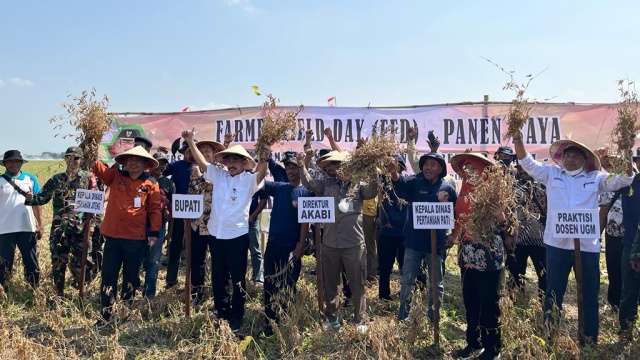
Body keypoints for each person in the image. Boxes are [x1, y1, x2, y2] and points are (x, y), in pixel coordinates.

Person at [511, 131, 635, 344]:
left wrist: (626, 149)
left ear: (585, 160)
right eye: (567, 155)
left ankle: (589, 339)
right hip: (556, 245)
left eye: (576, 156)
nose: (570, 159)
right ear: (561, 158)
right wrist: (517, 139)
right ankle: (550, 337)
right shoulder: (551, 175)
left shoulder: (596, 179)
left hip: (587, 248)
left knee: (589, 295)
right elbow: (527, 162)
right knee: (553, 292)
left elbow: (626, 178)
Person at [182, 128, 269, 333]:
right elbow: (202, 163)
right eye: (229, 160)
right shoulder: (218, 175)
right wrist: (189, 141)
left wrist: (265, 154)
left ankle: (237, 317)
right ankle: (222, 314)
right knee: (218, 278)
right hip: (216, 235)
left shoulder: (249, 180)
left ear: (245, 163)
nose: (231, 163)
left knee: (238, 278)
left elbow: (262, 172)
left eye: (236, 160)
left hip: (237, 236)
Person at [299, 150, 377, 333]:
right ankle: (332, 316)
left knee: (357, 283)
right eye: (334, 165)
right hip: (330, 243)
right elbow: (309, 184)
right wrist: (303, 164)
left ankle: (359, 320)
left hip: (354, 244)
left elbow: (372, 191)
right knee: (331, 282)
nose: (337, 169)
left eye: (341, 165)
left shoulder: (359, 185)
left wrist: (373, 168)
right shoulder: (325, 184)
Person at [449, 152, 513, 360]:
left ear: (484, 171)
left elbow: (510, 229)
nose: (468, 171)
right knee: (470, 301)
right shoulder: (464, 192)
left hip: (488, 257)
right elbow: (460, 220)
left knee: (489, 303)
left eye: (473, 168)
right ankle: (473, 343)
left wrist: (501, 218)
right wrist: (453, 236)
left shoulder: (495, 194)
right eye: (466, 168)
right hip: (467, 255)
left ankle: (492, 347)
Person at [93, 146, 162, 326]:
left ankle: (125, 313)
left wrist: (154, 232)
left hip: (135, 238)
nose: (134, 163)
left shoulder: (151, 183)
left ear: (145, 164)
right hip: (113, 237)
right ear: (125, 162)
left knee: (131, 277)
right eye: (131, 160)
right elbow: (96, 167)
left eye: (138, 161)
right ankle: (105, 314)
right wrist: (90, 144)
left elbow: (155, 209)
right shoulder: (115, 176)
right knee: (108, 276)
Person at [393, 152, 457, 323]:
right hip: (413, 243)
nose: (428, 168)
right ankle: (403, 317)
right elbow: (398, 183)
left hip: (436, 247)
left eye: (433, 164)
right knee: (407, 281)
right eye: (426, 164)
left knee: (437, 285)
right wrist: (393, 172)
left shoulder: (447, 188)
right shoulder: (414, 182)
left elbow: (457, 214)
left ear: (441, 169)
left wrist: (454, 235)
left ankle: (433, 319)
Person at [28, 146, 95, 298]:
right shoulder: (56, 180)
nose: (72, 161)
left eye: (76, 158)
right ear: (65, 159)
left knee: (84, 264)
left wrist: (93, 226)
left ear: (81, 160)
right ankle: (59, 295)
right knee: (58, 264)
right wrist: (30, 198)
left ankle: (82, 294)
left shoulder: (88, 179)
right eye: (69, 158)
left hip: (81, 230)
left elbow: (95, 204)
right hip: (60, 230)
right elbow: (42, 198)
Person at [262, 152, 313, 336]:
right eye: (288, 167)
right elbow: (258, 181)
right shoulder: (279, 187)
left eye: (294, 166)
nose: (290, 170)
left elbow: (305, 222)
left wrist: (300, 244)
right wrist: (262, 157)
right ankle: (269, 320)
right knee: (269, 283)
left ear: (300, 168)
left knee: (288, 285)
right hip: (273, 245)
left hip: (292, 248)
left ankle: (286, 318)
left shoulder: (307, 191)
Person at [187, 139, 225, 304]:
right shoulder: (193, 171)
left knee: (219, 261)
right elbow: (190, 196)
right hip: (197, 224)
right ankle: (197, 295)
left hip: (216, 225)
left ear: (214, 153)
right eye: (200, 151)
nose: (204, 154)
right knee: (197, 261)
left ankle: (220, 295)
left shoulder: (221, 170)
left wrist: (200, 178)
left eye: (207, 151)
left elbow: (212, 187)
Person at [0, 150, 42, 296]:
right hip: (4, 229)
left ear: (21, 163)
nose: (13, 164)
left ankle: (34, 290)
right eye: (10, 161)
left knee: (31, 261)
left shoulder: (30, 179)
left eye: (17, 161)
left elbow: (37, 203)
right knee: (4, 263)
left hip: (27, 227)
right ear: (4, 164)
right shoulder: (0, 180)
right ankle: (3, 291)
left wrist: (40, 224)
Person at [505, 163, 548, 298]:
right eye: (519, 168)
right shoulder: (512, 188)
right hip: (519, 238)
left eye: (525, 168)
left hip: (542, 240)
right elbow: (508, 213)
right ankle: (515, 302)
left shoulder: (545, 186)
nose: (522, 171)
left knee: (545, 275)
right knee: (515, 273)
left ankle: (544, 304)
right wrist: (508, 235)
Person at [163, 140, 198, 289]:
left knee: (195, 250)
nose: (191, 153)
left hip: (197, 213)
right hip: (178, 211)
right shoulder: (175, 166)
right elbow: (160, 172)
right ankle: (171, 282)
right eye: (188, 150)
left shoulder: (202, 167)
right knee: (175, 248)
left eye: (194, 150)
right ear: (183, 151)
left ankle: (194, 284)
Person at [143, 152, 175, 298]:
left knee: (153, 260)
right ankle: (131, 288)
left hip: (159, 227)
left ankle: (149, 293)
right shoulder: (144, 180)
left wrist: (170, 232)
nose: (160, 166)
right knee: (136, 258)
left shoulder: (169, 184)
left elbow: (173, 209)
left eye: (163, 163)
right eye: (157, 162)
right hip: (139, 225)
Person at [377, 155, 408, 301]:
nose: (392, 169)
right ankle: (384, 296)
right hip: (386, 233)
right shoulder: (381, 182)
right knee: (384, 267)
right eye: (388, 166)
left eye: (396, 166)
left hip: (404, 233)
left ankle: (406, 295)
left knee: (405, 268)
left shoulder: (407, 183)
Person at [598, 154, 625, 312]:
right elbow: (603, 212)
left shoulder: (635, 185)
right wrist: (597, 236)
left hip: (633, 237)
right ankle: (615, 303)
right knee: (614, 269)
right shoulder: (610, 186)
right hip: (613, 235)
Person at [619, 147, 640, 340]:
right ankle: (626, 328)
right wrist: (626, 143)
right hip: (631, 242)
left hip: (634, 245)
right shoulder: (630, 183)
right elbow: (623, 171)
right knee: (630, 289)